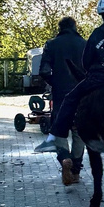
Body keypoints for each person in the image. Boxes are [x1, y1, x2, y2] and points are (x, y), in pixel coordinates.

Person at [34, 0, 104, 158]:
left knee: (68, 103)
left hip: (90, 82)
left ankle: (55, 141)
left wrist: (59, 82)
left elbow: (87, 61)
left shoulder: (94, 35)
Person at [39, 17, 88, 186]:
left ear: (60, 28)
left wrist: (56, 83)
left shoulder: (52, 44)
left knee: (59, 130)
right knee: (79, 131)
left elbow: (44, 70)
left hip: (61, 94)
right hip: (81, 93)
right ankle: (75, 170)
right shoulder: (85, 44)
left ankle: (64, 158)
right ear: (75, 27)